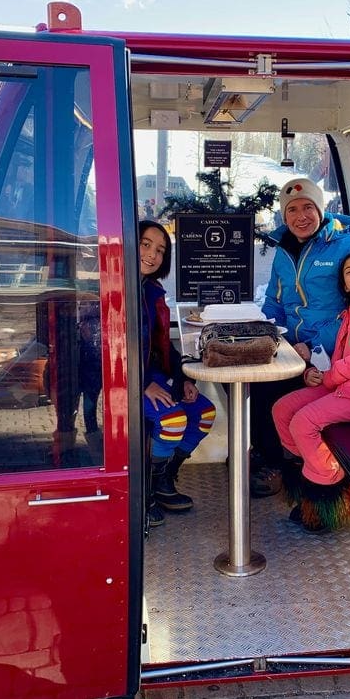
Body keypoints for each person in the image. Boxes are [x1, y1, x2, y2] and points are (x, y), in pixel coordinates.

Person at [250, 177, 350, 497]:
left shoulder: (348, 248)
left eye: (308, 207)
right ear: (283, 215)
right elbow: (275, 301)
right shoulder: (283, 252)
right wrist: (274, 336)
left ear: (321, 209)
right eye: (292, 210)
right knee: (257, 388)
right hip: (294, 348)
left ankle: (292, 469)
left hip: (331, 354)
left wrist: (314, 345)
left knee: (277, 395)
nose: (300, 216)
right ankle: (277, 460)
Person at [271, 252, 350, 533]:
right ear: (344, 285)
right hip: (346, 386)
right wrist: (316, 374)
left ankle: (328, 487)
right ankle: (316, 467)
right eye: (349, 272)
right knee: (283, 409)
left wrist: (332, 376)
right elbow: (339, 358)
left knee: (304, 423)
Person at [138, 220, 216, 527]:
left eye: (160, 250)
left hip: (152, 375)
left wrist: (183, 378)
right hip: (123, 380)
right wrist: (143, 384)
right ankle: (147, 491)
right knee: (172, 419)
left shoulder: (151, 291)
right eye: (145, 244)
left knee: (205, 412)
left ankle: (164, 480)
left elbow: (160, 346)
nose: (152, 254)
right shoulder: (114, 288)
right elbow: (105, 347)